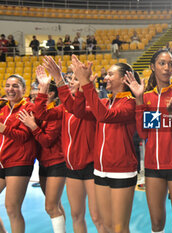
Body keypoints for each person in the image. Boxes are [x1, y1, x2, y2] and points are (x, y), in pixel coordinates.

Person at [33, 57, 106, 233]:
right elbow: (40, 113)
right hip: (71, 167)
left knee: (97, 217)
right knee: (76, 215)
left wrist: (60, 80)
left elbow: (78, 109)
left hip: (91, 167)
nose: (72, 81)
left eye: (75, 78)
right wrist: (43, 89)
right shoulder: (63, 108)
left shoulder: (95, 105)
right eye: (70, 78)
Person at [69, 54, 140, 233]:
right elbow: (78, 111)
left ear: (124, 80)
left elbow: (104, 116)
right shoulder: (104, 102)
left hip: (122, 171)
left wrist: (87, 84)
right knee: (106, 225)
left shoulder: (130, 103)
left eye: (110, 74)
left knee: (119, 228)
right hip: (100, 170)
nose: (105, 77)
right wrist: (80, 86)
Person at [129, 49, 172, 233]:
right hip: (154, 168)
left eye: (170, 63)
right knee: (156, 224)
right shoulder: (147, 98)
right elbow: (144, 134)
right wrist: (139, 100)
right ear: (152, 67)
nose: (167, 67)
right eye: (162, 63)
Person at [18, 76, 66, 233]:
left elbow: (47, 141)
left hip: (57, 163)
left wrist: (33, 126)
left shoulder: (55, 113)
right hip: (45, 163)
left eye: (38, 90)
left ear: (50, 94)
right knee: (56, 205)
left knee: (51, 206)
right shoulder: (40, 112)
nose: (34, 93)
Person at [0, 74, 37, 233]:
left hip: (19, 161)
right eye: (8, 85)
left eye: (15, 86)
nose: (11, 89)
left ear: (24, 89)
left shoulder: (28, 108)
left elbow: (23, 137)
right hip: (2, 161)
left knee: (12, 208)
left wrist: (3, 129)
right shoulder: (3, 107)